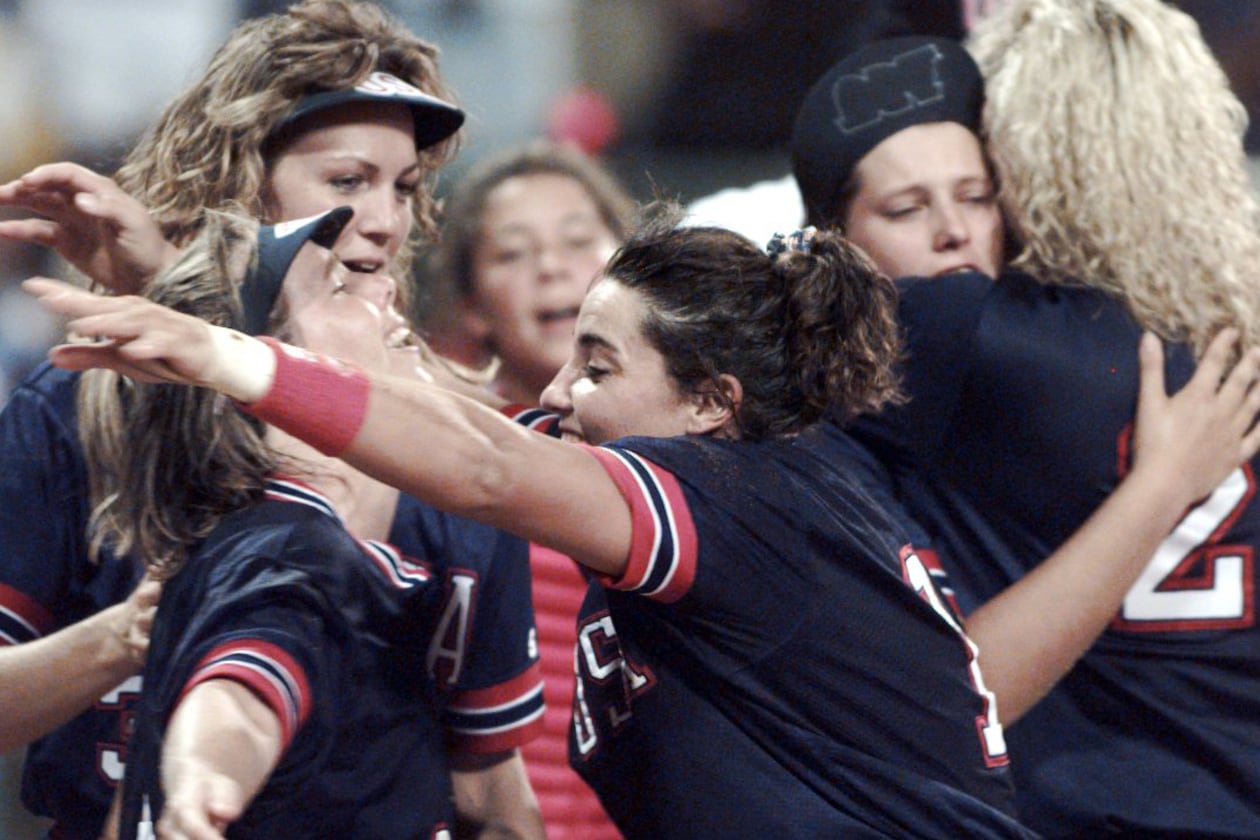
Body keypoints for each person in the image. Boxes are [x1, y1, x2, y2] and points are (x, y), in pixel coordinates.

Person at [25, 202, 1260, 838]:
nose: (561, 392)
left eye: (599, 363)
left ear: (711, 403)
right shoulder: (777, 485)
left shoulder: (731, 494)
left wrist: (227, 355)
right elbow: (451, 432)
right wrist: (185, 291)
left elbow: (483, 467)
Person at [0, 2, 542, 837]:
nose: (386, 221)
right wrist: (128, 636)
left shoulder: (453, 445)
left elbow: (489, 790)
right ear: (239, 179)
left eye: (404, 187)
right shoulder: (79, 402)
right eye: (347, 181)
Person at [793, 2, 1260, 835]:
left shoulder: (968, 331)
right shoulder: (1237, 334)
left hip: (1071, 807)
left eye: (979, 188)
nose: (954, 229)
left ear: (1027, 158)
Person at [91, 205, 475, 838]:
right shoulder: (291, 550)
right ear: (264, 375)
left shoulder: (251, 539)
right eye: (340, 285)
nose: (385, 286)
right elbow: (242, 688)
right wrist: (207, 778)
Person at [423, 139, 632, 839]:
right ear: (472, 306)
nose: (550, 266)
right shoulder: (428, 459)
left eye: (578, 239)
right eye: (512, 253)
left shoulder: (702, 460)